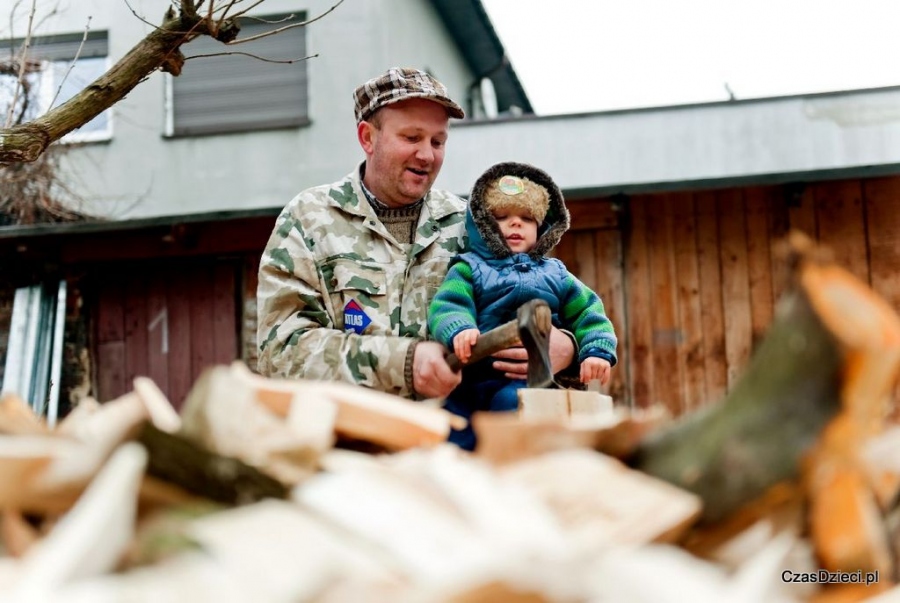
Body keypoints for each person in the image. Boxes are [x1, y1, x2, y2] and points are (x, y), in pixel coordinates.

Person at [256, 68, 577, 401]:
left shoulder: (472, 226)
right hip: (345, 445)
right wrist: (403, 363)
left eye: (437, 141)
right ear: (367, 137)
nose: (427, 155)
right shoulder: (308, 219)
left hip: (454, 444)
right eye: (411, 138)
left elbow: (551, 299)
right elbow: (280, 352)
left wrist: (567, 349)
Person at [428, 161, 618, 449]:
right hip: (471, 377)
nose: (516, 223)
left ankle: (507, 465)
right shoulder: (468, 267)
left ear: (542, 228)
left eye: (527, 218)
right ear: (484, 226)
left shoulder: (556, 274)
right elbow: (449, 303)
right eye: (503, 216)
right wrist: (459, 328)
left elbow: (588, 311)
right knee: (452, 426)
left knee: (511, 410)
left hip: (525, 380)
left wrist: (596, 351)